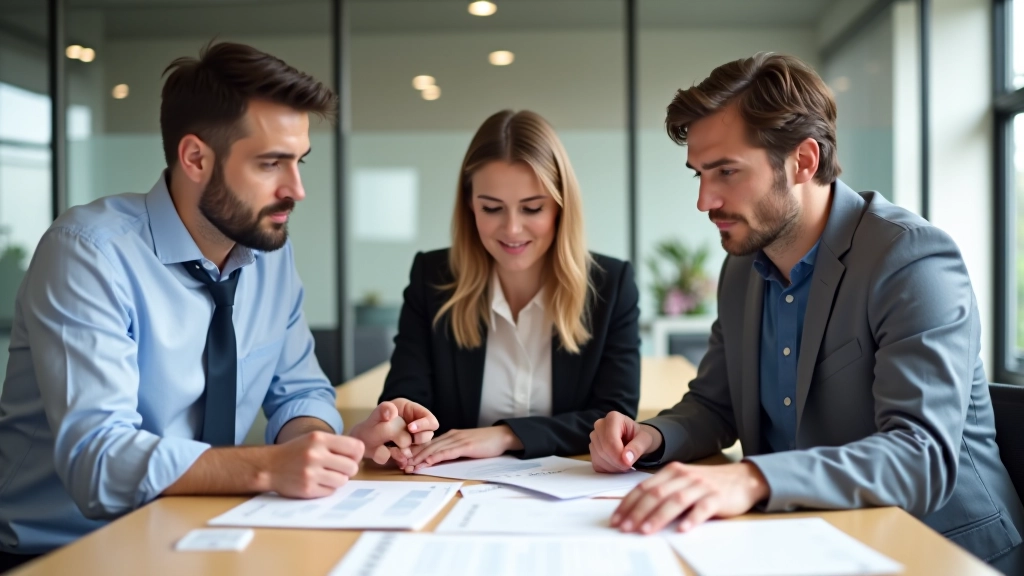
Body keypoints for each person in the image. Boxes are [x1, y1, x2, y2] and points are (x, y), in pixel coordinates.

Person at [0, 41, 434, 571]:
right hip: (65, 553)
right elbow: (100, 462)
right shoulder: (89, 253)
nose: (296, 189)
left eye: (299, 161)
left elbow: (298, 391)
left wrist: (325, 448)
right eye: (271, 163)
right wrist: (269, 468)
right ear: (196, 158)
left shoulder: (269, 254)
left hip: (204, 535)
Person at [588, 52, 1024, 572]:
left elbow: (920, 458)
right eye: (699, 174)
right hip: (805, 539)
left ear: (804, 161)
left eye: (726, 171)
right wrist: (652, 438)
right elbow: (715, 406)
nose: (705, 200)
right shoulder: (743, 266)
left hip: (937, 552)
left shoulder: (910, 259)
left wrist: (751, 478)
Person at [379, 110, 640, 471]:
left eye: (532, 208)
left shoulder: (611, 285)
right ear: (470, 205)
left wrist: (505, 435)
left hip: (569, 486)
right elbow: (403, 398)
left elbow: (615, 419)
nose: (512, 229)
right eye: (492, 208)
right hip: (450, 486)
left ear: (561, 206)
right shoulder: (432, 277)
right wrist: (403, 428)